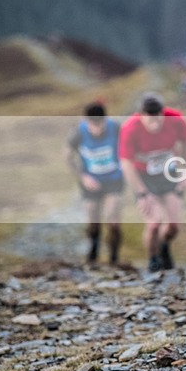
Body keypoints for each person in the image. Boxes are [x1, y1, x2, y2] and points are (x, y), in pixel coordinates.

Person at [119, 93, 186, 272]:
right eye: (150, 121)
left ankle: (164, 247)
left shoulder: (175, 120)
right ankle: (153, 258)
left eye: (158, 120)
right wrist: (142, 193)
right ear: (141, 115)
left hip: (169, 172)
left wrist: (185, 173)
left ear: (163, 113)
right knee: (154, 222)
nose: (155, 125)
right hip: (144, 176)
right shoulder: (129, 128)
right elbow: (126, 163)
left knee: (173, 226)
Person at [65, 101, 124, 266]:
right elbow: (68, 156)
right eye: (93, 124)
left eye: (100, 123)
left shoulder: (116, 128)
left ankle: (114, 257)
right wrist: (82, 176)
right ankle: (93, 248)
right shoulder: (78, 132)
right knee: (93, 220)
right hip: (90, 181)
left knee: (113, 220)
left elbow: (129, 148)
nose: (97, 128)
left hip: (114, 180)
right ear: (86, 121)